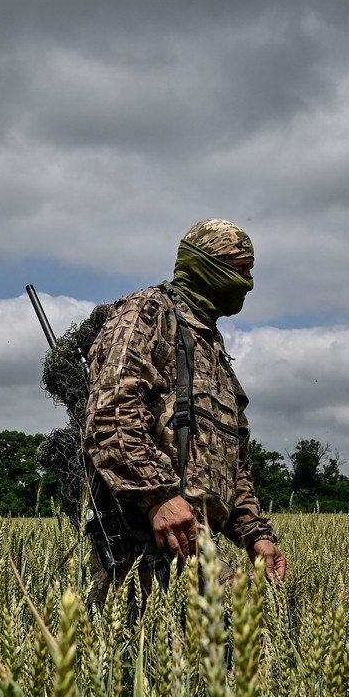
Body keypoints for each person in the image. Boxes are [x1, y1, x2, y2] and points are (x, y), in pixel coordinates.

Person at [83, 218, 287, 615]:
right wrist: (159, 496)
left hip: (194, 534)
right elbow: (110, 412)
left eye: (251, 270)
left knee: (232, 651)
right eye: (240, 269)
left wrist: (254, 534)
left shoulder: (211, 348)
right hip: (146, 530)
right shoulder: (148, 311)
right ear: (206, 266)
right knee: (235, 632)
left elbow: (230, 463)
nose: (248, 282)